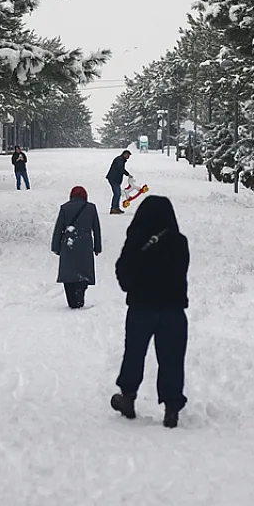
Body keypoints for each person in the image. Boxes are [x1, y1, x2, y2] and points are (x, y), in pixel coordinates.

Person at [110, 194, 189, 429]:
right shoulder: (179, 241)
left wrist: (135, 284)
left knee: (134, 353)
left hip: (141, 308)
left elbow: (123, 273)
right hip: (173, 310)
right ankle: (172, 408)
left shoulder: (136, 240)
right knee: (172, 359)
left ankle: (128, 397)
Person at [50, 185, 103, 309]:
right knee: (84, 271)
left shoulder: (64, 208)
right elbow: (96, 229)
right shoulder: (91, 208)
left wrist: (56, 247)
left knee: (68, 273)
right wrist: (97, 247)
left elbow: (58, 229)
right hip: (85, 245)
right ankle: (80, 291)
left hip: (69, 245)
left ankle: (72, 300)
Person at [104, 149, 132, 214]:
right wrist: (127, 174)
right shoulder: (120, 160)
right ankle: (114, 208)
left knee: (117, 193)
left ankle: (116, 207)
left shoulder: (121, 159)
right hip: (113, 178)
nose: (128, 157)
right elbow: (120, 169)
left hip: (115, 179)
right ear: (124, 154)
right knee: (117, 193)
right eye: (128, 155)